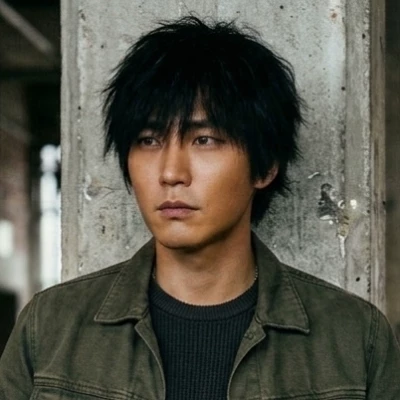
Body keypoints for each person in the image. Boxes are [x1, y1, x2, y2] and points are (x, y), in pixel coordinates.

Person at [1, 16, 399, 400]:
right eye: (149, 140)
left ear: (265, 166)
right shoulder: (50, 327)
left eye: (204, 140)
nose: (171, 173)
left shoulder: (355, 339)